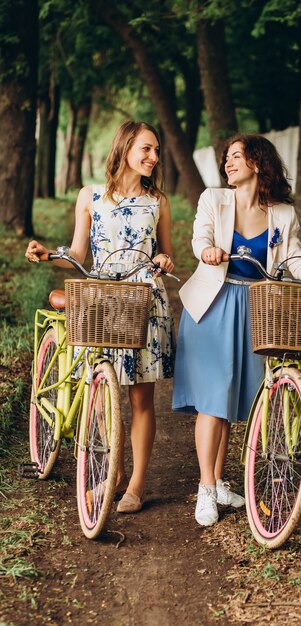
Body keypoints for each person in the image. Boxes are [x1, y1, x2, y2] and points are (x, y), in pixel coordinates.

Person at [172, 133, 301, 527]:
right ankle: (204, 490)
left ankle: (218, 481)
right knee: (212, 399)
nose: (229, 163)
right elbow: (200, 236)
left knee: (237, 401)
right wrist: (207, 251)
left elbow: (295, 261)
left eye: (237, 156)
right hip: (213, 306)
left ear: (258, 162)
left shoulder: (282, 214)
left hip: (256, 308)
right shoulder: (213, 199)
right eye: (227, 158)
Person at [25, 120, 176, 514]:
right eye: (146, 148)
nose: (153, 157)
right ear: (125, 147)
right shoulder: (89, 196)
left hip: (144, 299)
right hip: (103, 298)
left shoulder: (158, 201)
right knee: (107, 392)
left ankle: (137, 485)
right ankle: (114, 477)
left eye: (156, 151)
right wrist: (49, 255)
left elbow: (166, 253)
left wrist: (162, 259)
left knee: (141, 397)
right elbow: (77, 253)